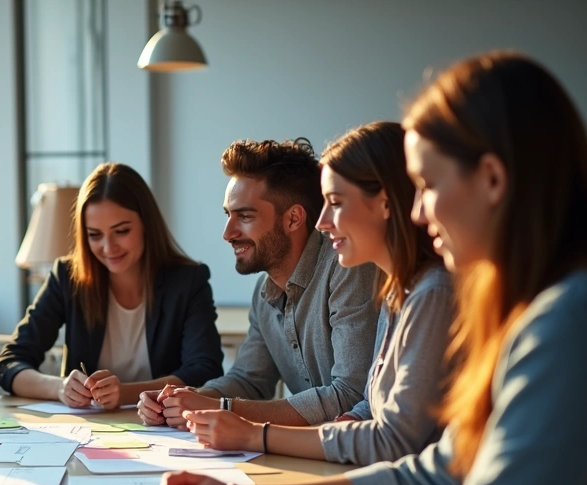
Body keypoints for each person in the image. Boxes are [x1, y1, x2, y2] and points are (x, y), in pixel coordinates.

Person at [157, 52, 587, 485]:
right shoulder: (524, 312)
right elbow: (434, 472)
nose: (417, 211)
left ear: (492, 179)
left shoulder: (566, 324)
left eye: (428, 186)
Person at [179, 123, 452, 465]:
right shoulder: (395, 289)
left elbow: (377, 423)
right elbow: (366, 405)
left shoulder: (393, 282)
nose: (322, 222)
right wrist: (191, 401)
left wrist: (243, 425)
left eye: (335, 203)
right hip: (354, 466)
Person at [137, 138, 380, 427]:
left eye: (245, 216)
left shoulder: (347, 268)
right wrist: (186, 400)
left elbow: (350, 395)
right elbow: (249, 380)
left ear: (293, 219)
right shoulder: (265, 293)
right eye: (228, 215)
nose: (228, 233)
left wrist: (221, 407)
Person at [0, 162, 224, 409]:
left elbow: (205, 370)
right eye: (94, 235)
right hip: (87, 432)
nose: (108, 247)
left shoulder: (188, 280)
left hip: (163, 426)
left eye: (121, 231)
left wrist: (126, 393)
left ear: (147, 224)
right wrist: (58, 387)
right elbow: (8, 364)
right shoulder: (67, 277)